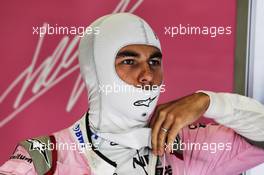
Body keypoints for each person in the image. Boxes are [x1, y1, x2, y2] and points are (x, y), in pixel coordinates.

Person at [1, 13, 264, 175]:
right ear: (97, 70)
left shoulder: (183, 145)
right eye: (129, 61)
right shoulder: (44, 158)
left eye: (154, 62)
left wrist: (208, 101)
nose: (147, 75)